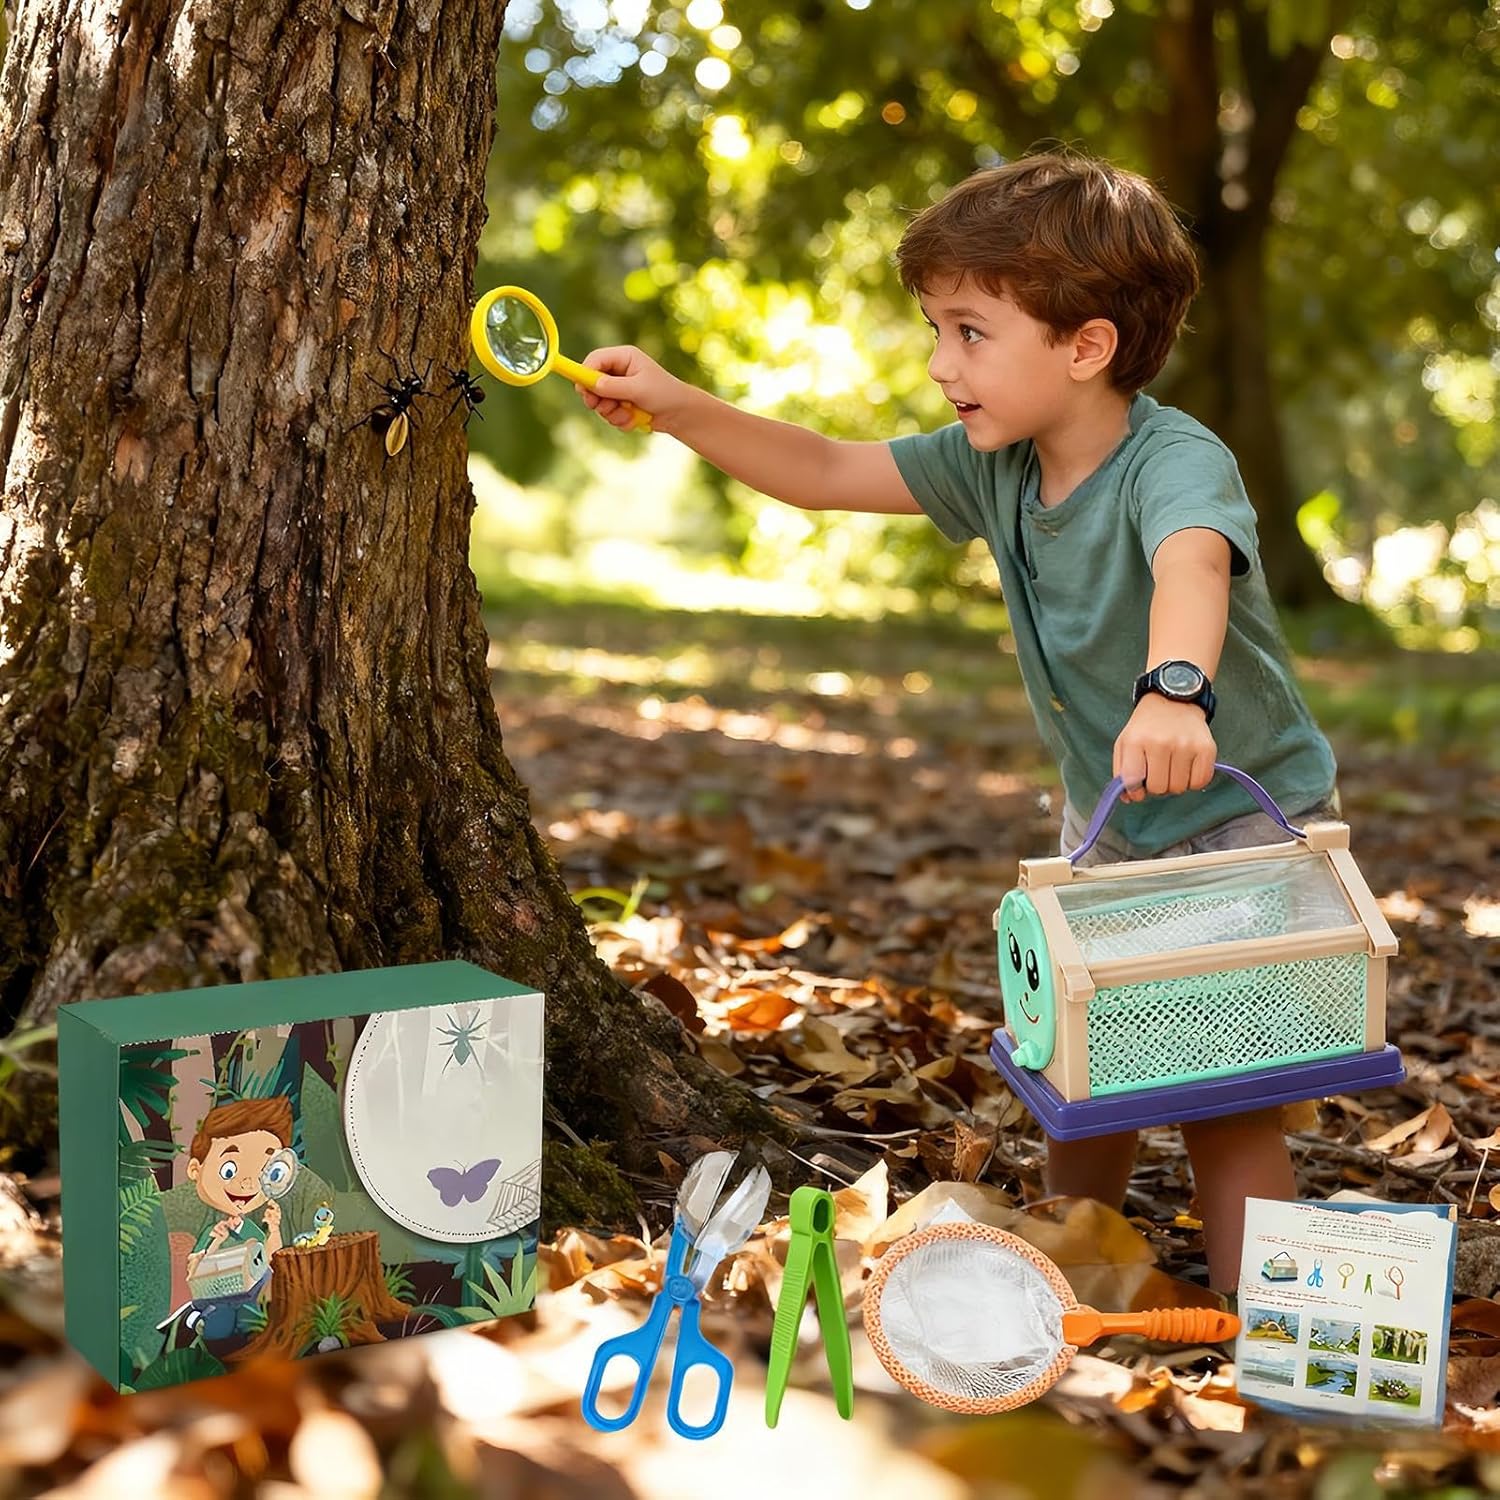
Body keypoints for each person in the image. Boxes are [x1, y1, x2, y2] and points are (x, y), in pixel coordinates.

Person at [571, 147, 1337, 1293]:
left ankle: (1259, 1329)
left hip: (1242, 822)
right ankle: (1075, 1276)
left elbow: (1193, 566)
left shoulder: (1175, 460)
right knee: (1083, 1073)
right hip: (1113, 820)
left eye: (971, 333)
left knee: (1226, 1098)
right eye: (938, 330)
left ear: (1087, 347)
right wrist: (678, 408)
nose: (941, 364)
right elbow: (825, 469)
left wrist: (1175, 689)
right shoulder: (996, 466)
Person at [162, 1096, 293, 1345]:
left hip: (249, 1295)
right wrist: (216, 1241)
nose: (248, 1183)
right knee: (218, 1326)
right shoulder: (215, 1231)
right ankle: (198, 1319)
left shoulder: (250, 1230)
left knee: (252, 1319)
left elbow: (269, 1258)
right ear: (195, 1170)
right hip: (217, 1296)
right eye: (229, 1170)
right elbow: (195, 1269)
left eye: (264, 1171)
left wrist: (274, 1228)